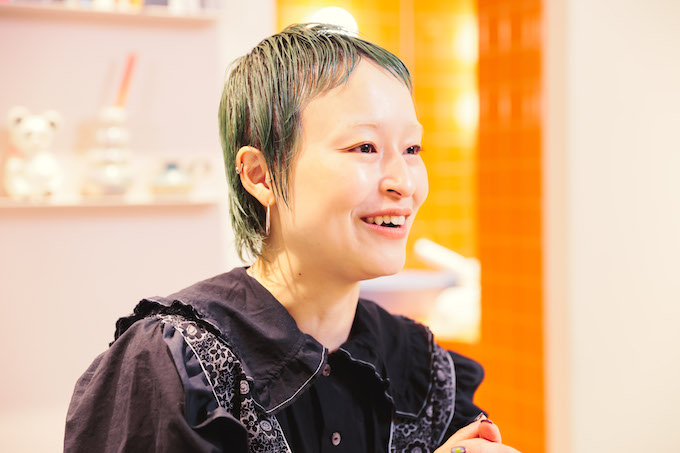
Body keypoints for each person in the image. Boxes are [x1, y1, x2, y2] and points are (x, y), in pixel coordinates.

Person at [64, 24, 520, 453]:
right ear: (260, 175)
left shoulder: (421, 368)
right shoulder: (174, 361)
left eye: (412, 149)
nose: (404, 182)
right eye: (365, 147)